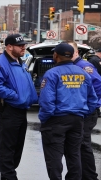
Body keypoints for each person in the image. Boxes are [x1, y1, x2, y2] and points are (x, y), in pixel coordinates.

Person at [38, 43, 98, 179]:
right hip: (77, 120)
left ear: (56, 55)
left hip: (56, 120)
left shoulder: (52, 74)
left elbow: (47, 102)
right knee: (74, 155)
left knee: (54, 157)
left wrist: (44, 118)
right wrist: (83, 113)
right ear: (71, 55)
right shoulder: (83, 73)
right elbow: (92, 99)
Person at [0, 34, 38, 180]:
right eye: (20, 45)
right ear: (9, 47)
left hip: (21, 109)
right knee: (7, 146)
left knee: (17, 146)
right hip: (9, 109)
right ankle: (8, 176)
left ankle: (9, 173)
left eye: (24, 45)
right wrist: (16, 96)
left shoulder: (20, 62)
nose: (24, 47)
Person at [67, 41, 101, 180]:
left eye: (70, 51)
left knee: (83, 145)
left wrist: (89, 106)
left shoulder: (84, 66)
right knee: (78, 145)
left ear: (76, 52)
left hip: (87, 113)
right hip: (80, 112)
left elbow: (98, 86)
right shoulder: (73, 66)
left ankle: (90, 176)